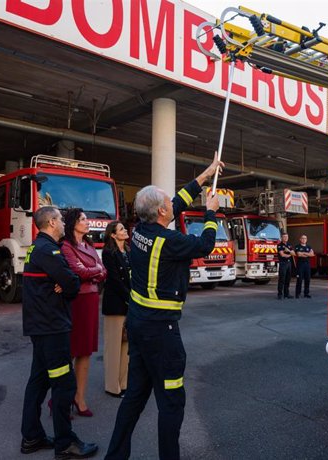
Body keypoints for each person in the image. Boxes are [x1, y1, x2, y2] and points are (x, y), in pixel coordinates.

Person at [105, 156, 223, 460]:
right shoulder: (170, 241)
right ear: (160, 212)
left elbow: (177, 201)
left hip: (140, 326)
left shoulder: (141, 230)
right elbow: (205, 245)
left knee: (134, 398)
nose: (172, 206)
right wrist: (211, 212)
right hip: (161, 333)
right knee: (172, 403)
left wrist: (206, 174)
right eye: (167, 205)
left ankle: (115, 456)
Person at [20, 206, 99, 459]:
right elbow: (73, 282)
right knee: (64, 385)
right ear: (52, 222)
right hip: (52, 327)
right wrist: (66, 283)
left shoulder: (37, 247)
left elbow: (66, 281)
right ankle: (65, 443)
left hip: (41, 326)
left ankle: (32, 437)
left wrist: (64, 283)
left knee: (38, 381)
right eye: (61, 220)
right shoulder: (50, 250)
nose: (64, 223)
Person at [60, 208, 107, 418]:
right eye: (82, 219)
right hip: (76, 301)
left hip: (91, 299)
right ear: (72, 223)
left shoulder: (88, 245)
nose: (87, 222)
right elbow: (78, 272)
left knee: (86, 351)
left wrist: (92, 272)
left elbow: (102, 270)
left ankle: (79, 397)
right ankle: (61, 399)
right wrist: (93, 271)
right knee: (70, 350)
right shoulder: (66, 246)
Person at [101, 220, 131, 398]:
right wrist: (130, 298)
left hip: (129, 303)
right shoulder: (108, 253)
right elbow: (114, 280)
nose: (125, 230)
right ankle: (112, 387)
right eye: (121, 229)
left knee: (126, 346)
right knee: (113, 347)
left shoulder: (128, 251)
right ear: (113, 235)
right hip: (115, 305)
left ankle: (124, 384)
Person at [294, 235, 314, 299]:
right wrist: (307, 254)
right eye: (302, 238)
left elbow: (312, 254)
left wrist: (304, 253)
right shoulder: (297, 247)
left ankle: (306, 293)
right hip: (300, 265)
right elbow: (299, 255)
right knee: (299, 280)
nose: (304, 239)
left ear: (306, 239)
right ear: (300, 239)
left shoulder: (309, 246)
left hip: (307, 265)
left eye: (305, 238)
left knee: (307, 279)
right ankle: (298, 293)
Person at [276, 232, 295, 300]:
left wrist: (289, 251)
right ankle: (280, 294)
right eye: (284, 237)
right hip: (283, 263)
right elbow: (282, 255)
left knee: (288, 279)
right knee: (282, 279)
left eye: (287, 237)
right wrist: (290, 254)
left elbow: (294, 254)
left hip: (289, 264)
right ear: (282, 238)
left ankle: (286, 294)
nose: (286, 238)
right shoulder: (279, 245)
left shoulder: (289, 245)